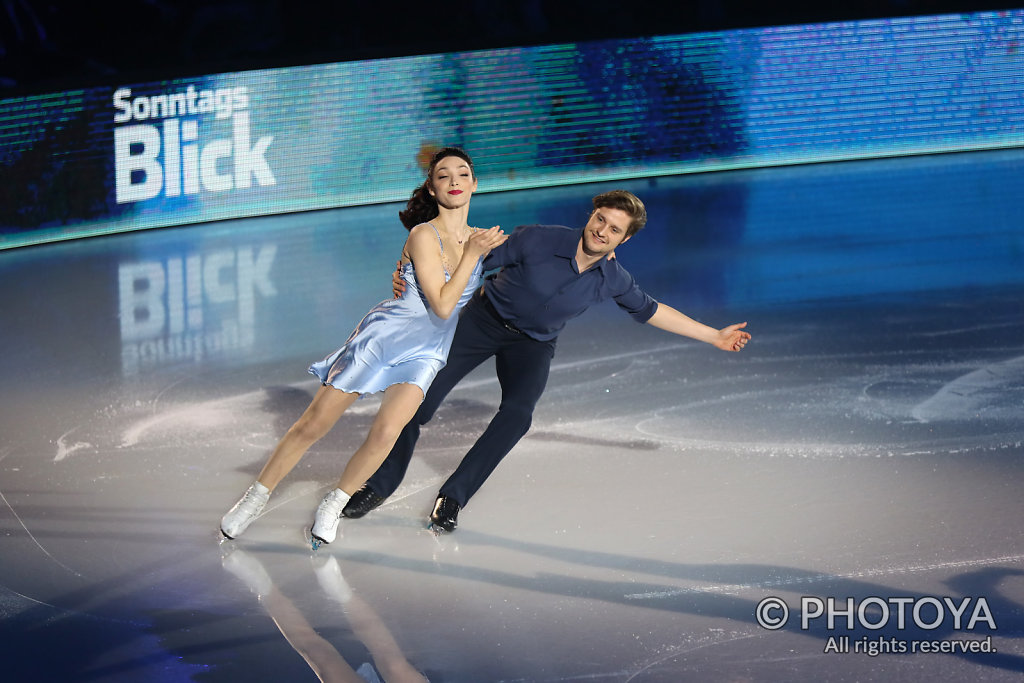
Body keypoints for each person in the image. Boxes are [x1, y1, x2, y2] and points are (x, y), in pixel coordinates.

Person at [342, 189, 751, 532]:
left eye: (614, 229)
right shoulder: (538, 238)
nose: (602, 231)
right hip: (482, 322)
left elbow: (652, 309)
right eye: (600, 219)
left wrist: (714, 335)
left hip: (533, 345)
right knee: (418, 402)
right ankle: (379, 484)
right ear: (590, 216)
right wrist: (414, 276)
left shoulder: (614, 279)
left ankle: (453, 498)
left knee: (519, 415)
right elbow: (469, 260)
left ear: (624, 241)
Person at [220, 147, 506, 545]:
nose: (454, 182)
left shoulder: (484, 240)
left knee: (387, 432)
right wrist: (473, 255)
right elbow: (442, 304)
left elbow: (542, 251)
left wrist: (604, 254)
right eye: (444, 175)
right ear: (432, 186)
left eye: (462, 174)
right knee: (314, 424)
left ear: (475, 184)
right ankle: (254, 499)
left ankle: (334, 504)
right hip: (384, 338)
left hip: (427, 353)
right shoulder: (424, 234)